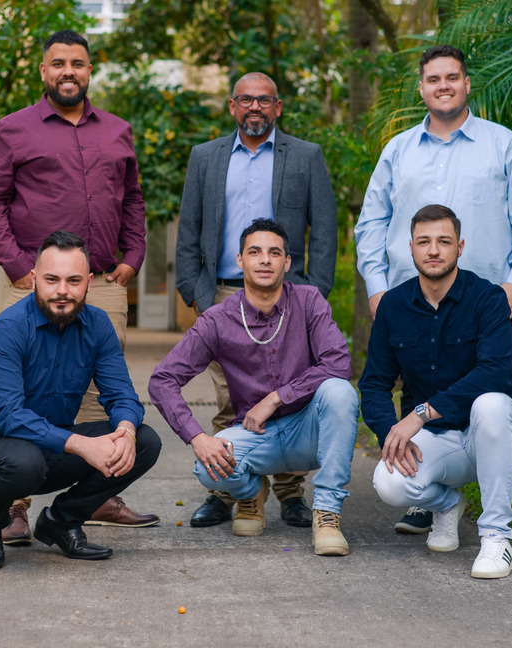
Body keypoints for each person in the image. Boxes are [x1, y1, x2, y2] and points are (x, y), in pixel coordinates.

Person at [354, 44, 512, 534]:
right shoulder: (398, 151)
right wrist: (377, 286)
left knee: (511, 388)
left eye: (452, 77)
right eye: (433, 79)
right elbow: (371, 223)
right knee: (417, 388)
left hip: (492, 302)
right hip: (413, 297)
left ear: (467, 84)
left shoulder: (503, 145)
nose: (443, 86)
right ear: (421, 88)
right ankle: (425, 497)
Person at [0, 29, 158, 538]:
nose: (68, 72)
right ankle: (14, 505)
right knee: (24, 392)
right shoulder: (12, 130)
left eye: (77, 63)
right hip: (35, 284)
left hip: (102, 281)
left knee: (100, 393)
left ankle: (96, 496)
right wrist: (18, 267)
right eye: (58, 63)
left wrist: (134, 255)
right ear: (43, 71)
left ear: (90, 70)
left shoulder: (117, 131)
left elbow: (133, 199)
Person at [175, 72, 338, 531]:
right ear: (232, 106)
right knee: (231, 396)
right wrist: (194, 292)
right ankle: (227, 490)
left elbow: (324, 230)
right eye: (246, 99)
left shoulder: (305, 156)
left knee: (288, 390)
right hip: (223, 293)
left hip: (289, 294)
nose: (255, 107)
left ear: (278, 107)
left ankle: (290, 492)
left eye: (264, 100)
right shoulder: (205, 157)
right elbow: (189, 228)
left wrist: (313, 292)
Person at [0, 231, 162, 569]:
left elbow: (121, 393)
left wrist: (125, 430)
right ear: (34, 278)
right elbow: (8, 417)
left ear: (88, 283)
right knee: (25, 459)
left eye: (73, 280)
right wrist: (82, 445)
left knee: (145, 441)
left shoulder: (98, 325)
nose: (62, 290)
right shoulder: (9, 328)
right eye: (52, 279)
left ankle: (61, 521)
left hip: (49, 448)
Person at [151, 218, 357, 556]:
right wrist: (197, 437)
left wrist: (276, 398)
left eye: (274, 253)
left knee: (341, 392)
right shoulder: (218, 319)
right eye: (255, 252)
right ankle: (250, 492)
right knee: (207, 468)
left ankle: (327, 512)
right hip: (257, 436)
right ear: (240, 260)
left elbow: (338, 363)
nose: (265, 260)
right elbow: (163, 380)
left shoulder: (309, 301)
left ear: (287, 262)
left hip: (310, 431)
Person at [361, 206, 512, 578]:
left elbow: (495, 373)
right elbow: (374, 384)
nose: (434, 250)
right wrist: (391, 434)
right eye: (424, 242)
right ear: (411, 248)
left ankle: (496, 537)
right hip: (441, 441)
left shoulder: (488, 298)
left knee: (490, 404)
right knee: (388, 483)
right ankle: (446, 503)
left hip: (499, 435)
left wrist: (420, 414)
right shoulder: (393, 306)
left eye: (444, 241)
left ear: (460, 246)